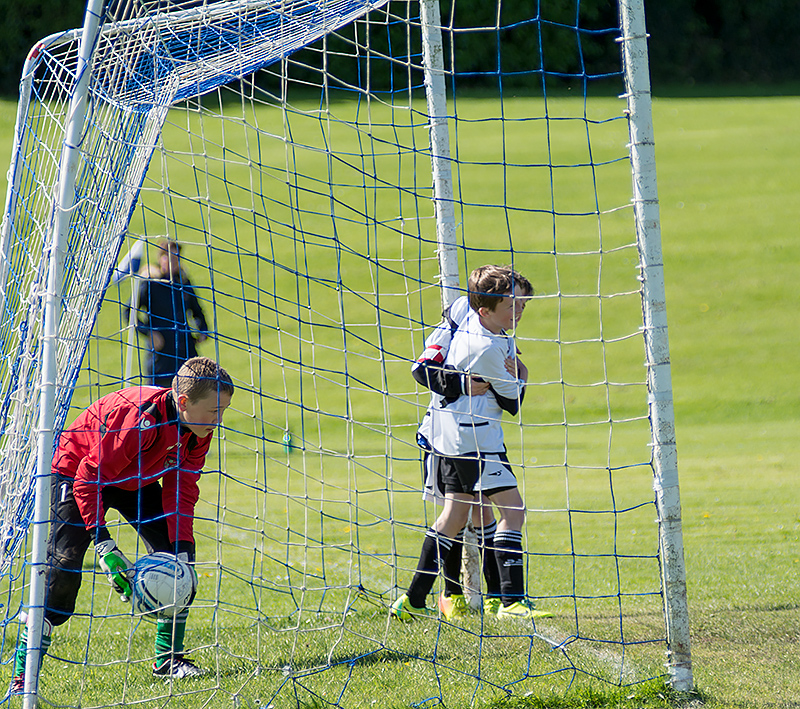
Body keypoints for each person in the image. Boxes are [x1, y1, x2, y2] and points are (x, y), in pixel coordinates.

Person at [11, 357, 234, 693]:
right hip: (77, 472)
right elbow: (89, 478)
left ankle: (168, 660)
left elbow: (182, 489)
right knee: (64, 568)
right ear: (184, 401)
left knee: (178, 560)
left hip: (134, 477)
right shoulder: (140, 419)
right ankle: (23, 676)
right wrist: (105, 546)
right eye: (214, 411)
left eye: (223, 411)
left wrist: (183, 553)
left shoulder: (198, 430)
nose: (219, 420)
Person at [392, 265, 540, 621]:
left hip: (459, 435)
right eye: (512, 305)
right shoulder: (487, 345)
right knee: (510, 510)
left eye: (522, 303)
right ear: (484, 309)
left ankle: (414, 600)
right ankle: (508, 601)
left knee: (460, 514)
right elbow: (512, 401)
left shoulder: (469, 312)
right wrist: (521, 374)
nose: (519, 311)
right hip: (470, 437)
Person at [411, 294, 520, 620]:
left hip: (481, 433)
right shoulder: (456, 320)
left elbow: (506, 383)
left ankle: (495, 596)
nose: (518, 309)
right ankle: (450, 593)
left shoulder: (498, 331)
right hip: (444, 434)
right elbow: (422, 369)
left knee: (480, 509)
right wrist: (458, 383)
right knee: (456, 515)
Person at [134, 239, 209, 387]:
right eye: (169, 257)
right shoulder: (150, 283)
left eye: (177, 258)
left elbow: (197, 310)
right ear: (160, 258)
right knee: (159, 398)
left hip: (185, 351)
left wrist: (203, 330)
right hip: (161, 356)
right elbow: (129, 313)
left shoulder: (183, 282)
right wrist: (149, 333)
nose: (174, 261)